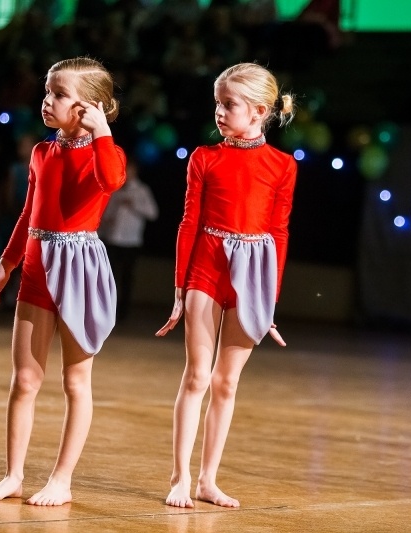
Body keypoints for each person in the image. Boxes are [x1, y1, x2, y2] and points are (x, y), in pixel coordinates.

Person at [0, 57, 126, 506]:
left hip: (79, 267)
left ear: (90, 106)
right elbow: (28, 213)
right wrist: (6, 264)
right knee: (24, 380)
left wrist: (102, 133)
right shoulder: (42, 152)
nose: (47, 101)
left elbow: (111, 180)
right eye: (47, 91)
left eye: (59, 94)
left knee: (75, 382)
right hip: (37, 267)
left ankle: (62, 480)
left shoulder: (107, 152)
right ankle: (13, 475)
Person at [156, 63, 296, 508]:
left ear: (259, 111)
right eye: (216, 103)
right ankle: (180, 477)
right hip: (208, 267)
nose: (218, 112)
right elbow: (189, 222)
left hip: (253, 276)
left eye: (228, 104)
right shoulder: (204, 157)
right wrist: (180, 288)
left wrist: (269, 300)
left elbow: (279, 232)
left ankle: (208, 480)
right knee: (198, 375)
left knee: (226, 382)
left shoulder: (283, 165)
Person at [99, 158, 158, 319]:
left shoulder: (142, 190)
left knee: (126, 277)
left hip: (131, 241)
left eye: (129, 170)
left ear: (135, 171)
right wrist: (107, 219)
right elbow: (106, 212)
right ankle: (107, 310)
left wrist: (134, 205)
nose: (126, 173)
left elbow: (153, 213)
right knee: (109, 276)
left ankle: (123, 313)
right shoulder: (115, 189)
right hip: (112, 239)